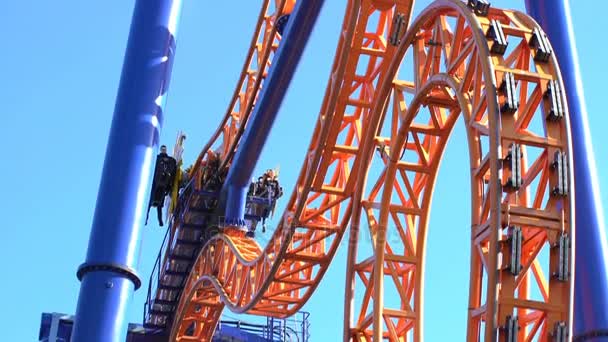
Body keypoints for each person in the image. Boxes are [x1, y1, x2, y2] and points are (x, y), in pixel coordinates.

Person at [146, 145, 177, 226]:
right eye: (162, 149)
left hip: (162, 183)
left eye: (164, 149)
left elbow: (173, 165)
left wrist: (170, 185)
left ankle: (159, 220)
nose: (163, 150)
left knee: (159, 204)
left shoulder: (170, 160)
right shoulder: (157, 158)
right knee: (152, 203)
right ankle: (147, 218)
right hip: (158, 182)